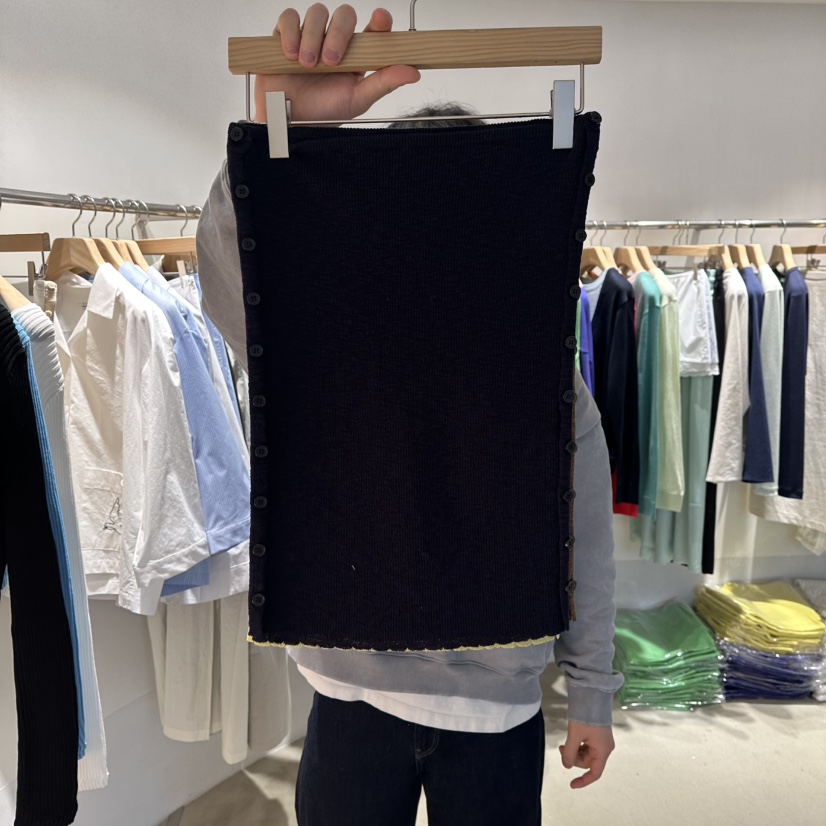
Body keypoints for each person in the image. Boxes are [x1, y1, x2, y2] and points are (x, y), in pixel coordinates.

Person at [197, 6, 622, 824]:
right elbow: (231, 287)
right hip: (350, 694)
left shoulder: (539, 374)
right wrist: (279, 140)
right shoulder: (329, 347)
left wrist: (594, 692)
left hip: (490, 709)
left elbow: (586, 538)